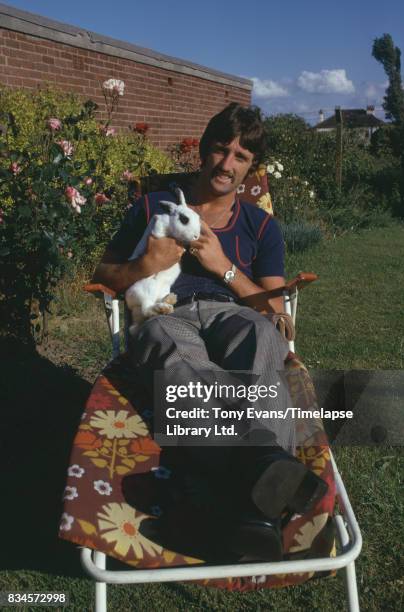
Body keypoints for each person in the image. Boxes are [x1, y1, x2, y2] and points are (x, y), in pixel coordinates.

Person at [91, 103, 327, 560]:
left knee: (260, 337)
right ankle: (258, 495)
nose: (227, 164)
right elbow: (104, 274)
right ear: (203, 151)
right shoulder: (152, 207)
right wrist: (146, 264)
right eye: (221, 150)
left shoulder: (261, 225)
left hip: (231, 311)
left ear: (250, 169)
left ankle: (215, 495)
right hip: (164, 311)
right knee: (172, 349)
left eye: (240, 157)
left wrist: (223, 267)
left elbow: (274, 308)